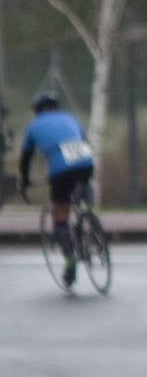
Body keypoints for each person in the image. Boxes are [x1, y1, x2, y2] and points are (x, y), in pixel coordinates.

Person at [18, 93, 95, 288]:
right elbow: (84, 141)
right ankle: (88, 216)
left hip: (61, 169)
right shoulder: (70, 118)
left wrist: (25, 181)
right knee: (81, 188)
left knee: (61, 212)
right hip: (85, 161)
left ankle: (70, 261)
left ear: (37, 111)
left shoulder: (34, 126)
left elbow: (26, 158)